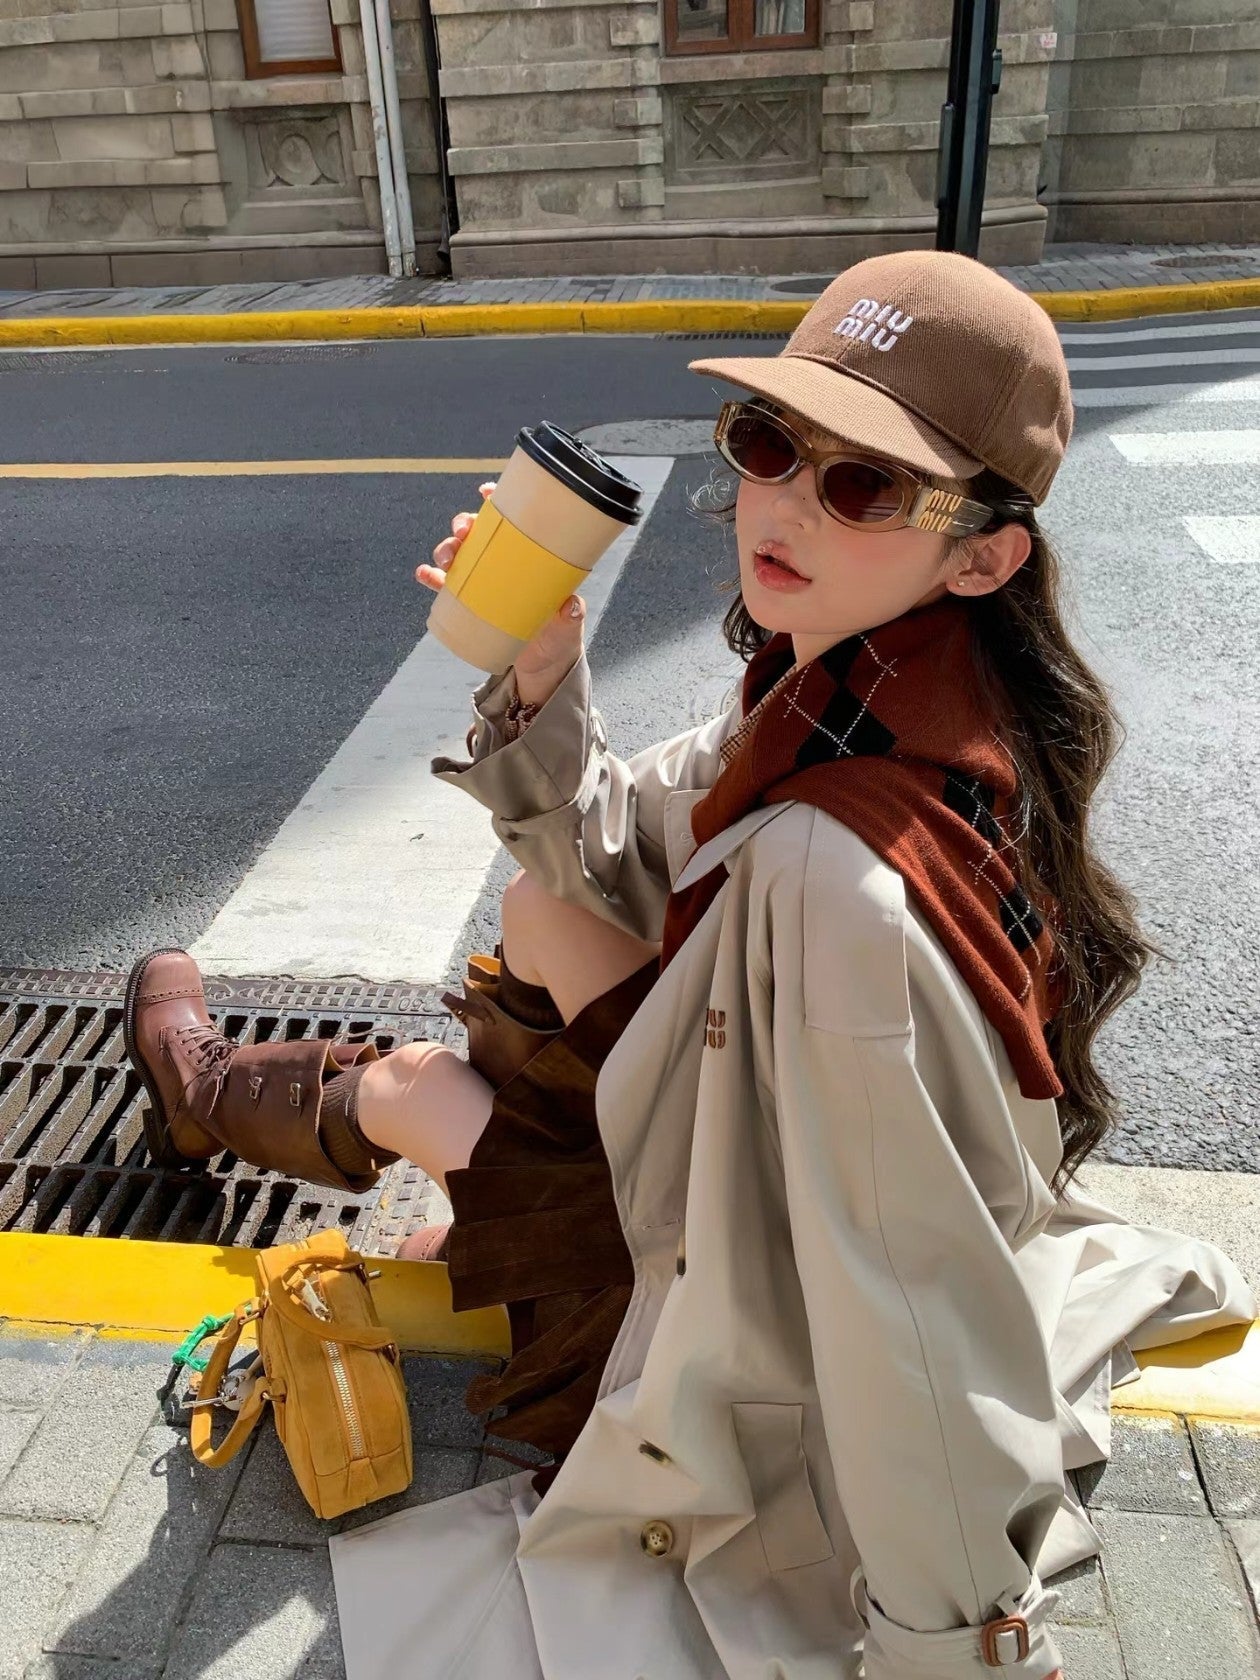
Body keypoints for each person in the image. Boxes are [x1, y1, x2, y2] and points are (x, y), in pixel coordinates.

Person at [124, 250, 1256, 1680]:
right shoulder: (862, 690)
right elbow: (613, 841)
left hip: (725, 1340)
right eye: (771, 443)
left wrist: (956, 1646)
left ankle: (202, 1091)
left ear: (982, 554)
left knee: (421, 1085)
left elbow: (907, 1313)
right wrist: (542, 665)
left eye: (864, 485)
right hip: (729, 1192)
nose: (784, 505)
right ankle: (254, 1114)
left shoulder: (844, 875)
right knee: (519, 954)